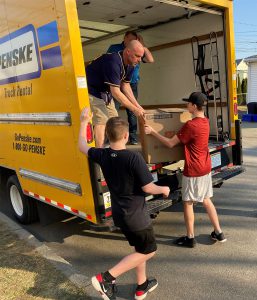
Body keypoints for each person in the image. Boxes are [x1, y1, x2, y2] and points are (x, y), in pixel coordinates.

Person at [79, 107, 170, 300]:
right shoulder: (133, 158)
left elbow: (81, 146)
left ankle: (141, 285)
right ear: (127, 136)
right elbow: (148, 188)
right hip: (137, 217)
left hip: (120, 214)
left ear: (108, 135)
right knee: (149, 251)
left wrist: (83, 122)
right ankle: (106, 278)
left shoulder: (102, 154)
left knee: (139, 250)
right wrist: (163, 189)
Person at [144, 92, 227, 248]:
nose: (186, 105)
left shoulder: (190, 125)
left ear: (194, 106)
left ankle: (190, 238)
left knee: (188, 203)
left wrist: (152, 132)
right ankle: (219, 232)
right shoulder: (205, 122)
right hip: (205, 167)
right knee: (207, 200)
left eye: (188, 103)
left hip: (194, 169)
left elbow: (170, 144)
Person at [86, 40, 145, 148]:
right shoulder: (113, 61)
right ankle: (101, 154)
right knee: (102, 120)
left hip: (104, 92)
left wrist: (138, 105)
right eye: (137, 56)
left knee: (115, 120)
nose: (139, 60)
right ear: (128, 51)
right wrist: (134, 109)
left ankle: (115, 150)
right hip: (91, 89)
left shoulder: (131, 64)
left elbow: (126, 86)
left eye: (141, 57)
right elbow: (116, 92)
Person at [107, 31, 154, 145]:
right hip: (116, 83)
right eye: (131, 39)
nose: (138, 59)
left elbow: (150, 60)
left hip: (131, 83)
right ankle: (112, 137)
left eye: (136, 40)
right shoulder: (114, 48)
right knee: (114, 110)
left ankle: (132, 137)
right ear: (125, 38)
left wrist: (142, 45)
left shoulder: (138, 49)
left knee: (132, 112)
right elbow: (109, 63)